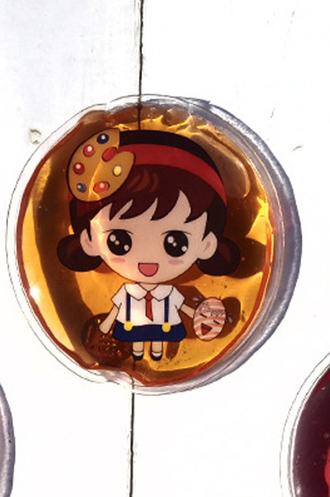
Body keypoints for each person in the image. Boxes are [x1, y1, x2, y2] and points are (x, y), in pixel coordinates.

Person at [57, 127, 241, 361]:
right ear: (88, 241)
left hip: (166, 328)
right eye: (119, 242)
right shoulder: (130, 292)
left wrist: (198, 315)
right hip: (134, 326)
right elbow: (117, 310)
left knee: (155, 341)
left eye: (175, 244)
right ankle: (140, 351)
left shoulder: (165, 292)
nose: (147, 261)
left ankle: (153, 351)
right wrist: (104, 328)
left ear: (207, 244)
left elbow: (181, 307)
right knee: (139, 341)